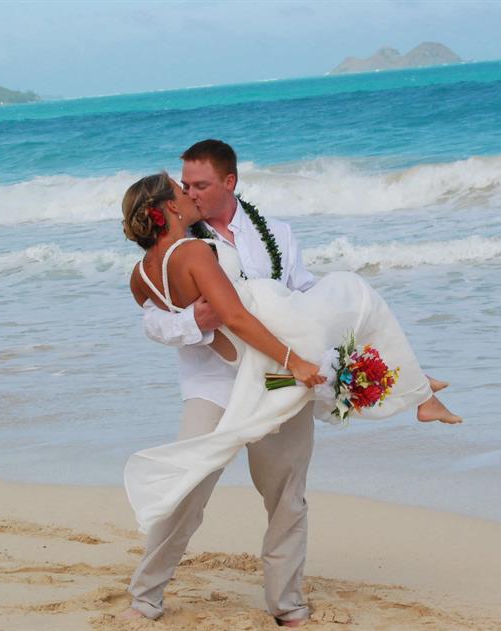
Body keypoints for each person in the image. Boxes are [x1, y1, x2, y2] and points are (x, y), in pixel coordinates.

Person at [123, 144, 460, 626]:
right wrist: (193, 322)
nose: (192, 192)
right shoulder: (185, 245)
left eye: (200, 184)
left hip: (279, 378)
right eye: (185, 186)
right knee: (189, 488)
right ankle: (146, 596)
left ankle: (287, 605)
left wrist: (307, 360)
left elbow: (305, 299)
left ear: (229, 183)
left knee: (286, 496)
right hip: (213, 383)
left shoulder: (275, 234)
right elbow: (156, 322)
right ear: (170, 205)